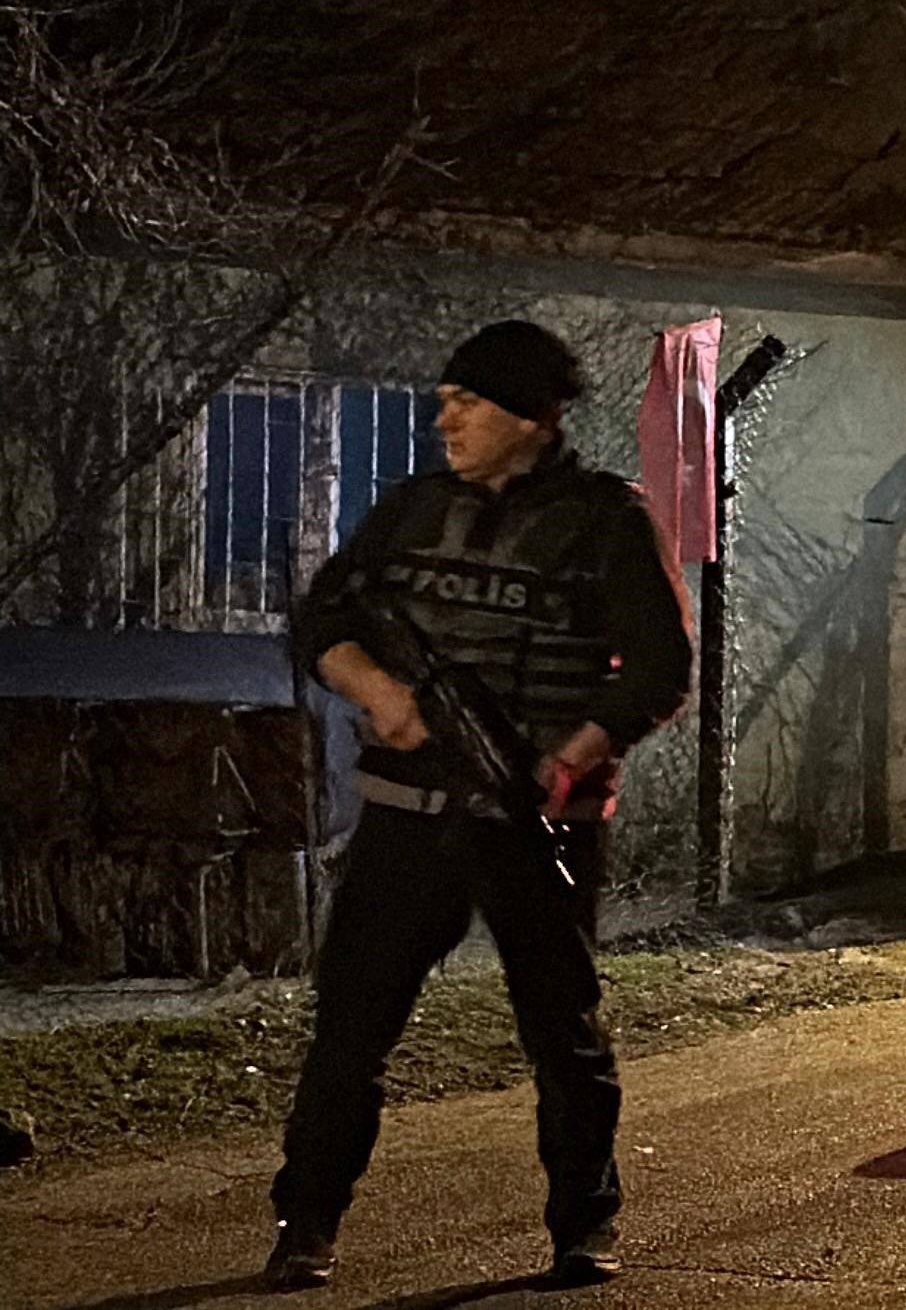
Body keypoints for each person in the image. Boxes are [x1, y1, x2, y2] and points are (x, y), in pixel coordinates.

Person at [265, 321, 693, 1292]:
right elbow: (322, 622)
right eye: (446, 398)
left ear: (531, 418)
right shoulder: (411, 511)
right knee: (350, 1030)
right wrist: (380, 692)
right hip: (405, 818)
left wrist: (566, 761)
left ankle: (584, 1228)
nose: (444, 416)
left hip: (538, 821)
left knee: (563, 1031)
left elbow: (660, 671)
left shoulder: (606, 521)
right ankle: (306, 1225)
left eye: (469, 401)